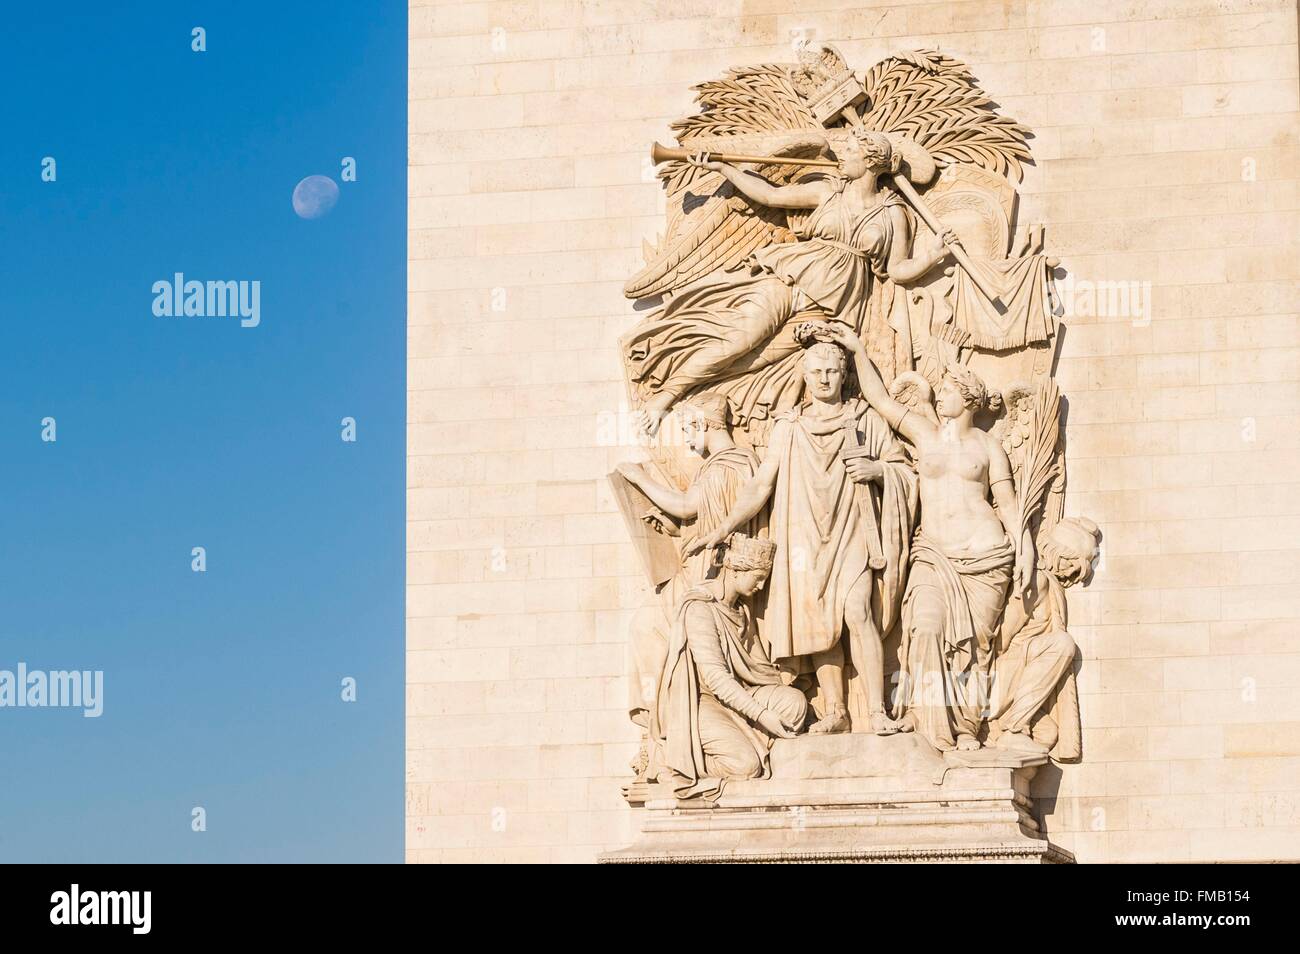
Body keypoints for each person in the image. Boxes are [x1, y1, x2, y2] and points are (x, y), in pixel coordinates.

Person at [623, 128, 955, 435]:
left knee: (756, 359)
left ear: (869, 162)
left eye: (850, 151)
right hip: (793, 279)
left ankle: (698, 396)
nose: (843, 157)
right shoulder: (827, 192)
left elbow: (897, 270)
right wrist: (724, 169)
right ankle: (664, 398)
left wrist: (932, 256)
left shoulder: (893, 212)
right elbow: (769, 195)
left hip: (831, 306)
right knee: (739, 340)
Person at [689, 326, 918, 735]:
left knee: (856, 609)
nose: (825, 379)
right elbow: (761, 484)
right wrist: (723, 527)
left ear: (844, 373)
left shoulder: (865, 420)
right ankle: (835, 710)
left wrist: (877, 470)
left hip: (853, 530)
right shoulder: (789, 424)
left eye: (832, 371)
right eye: (816, 373)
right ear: (806, 375)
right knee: (817, 620)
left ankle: (877, 711)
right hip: (804, 534)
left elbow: (903, 469)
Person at [828, 324, 1033, 752]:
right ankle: (934, 730)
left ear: (969, 399)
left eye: (949, 392)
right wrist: (857, 348)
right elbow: (881, 400)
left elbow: (1008, 505)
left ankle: (966, 727)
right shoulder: (924, 434)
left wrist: (1025, 548)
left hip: (985, 557)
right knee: (924, 628)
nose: (941, 397)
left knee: (976, 649)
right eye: (939, 391)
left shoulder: (989, 447)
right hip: (934, 554)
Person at [616, 392, 761, 777]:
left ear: (703, 424)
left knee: (649, 631)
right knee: (652, 636)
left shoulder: (727, 465)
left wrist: (639, 477)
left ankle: (661, 738)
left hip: (707, 578)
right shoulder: (728, 465)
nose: (686, 439)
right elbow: (701, 521)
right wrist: (675, 531)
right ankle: (659, 735)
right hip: (703, 567)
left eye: (686, 428)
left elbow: (686, 505)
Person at [653, 534, 807, 798]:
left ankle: (751, 736)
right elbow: (716, 679)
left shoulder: (742, 611)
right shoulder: (699, 608)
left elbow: (761, 671)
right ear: (736, 569)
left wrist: (797, 680)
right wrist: (762, 715)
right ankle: (679, 762)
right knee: (745, 765)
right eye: (758, 577)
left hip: (739, 694)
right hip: (700, 702)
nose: (760, 586)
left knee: (795, 702)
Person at [987, 517, 1100, 759]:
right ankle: (1012, 726)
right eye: (1073, 563)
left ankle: (997, 727)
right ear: (1058, 553)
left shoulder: (1050, 583)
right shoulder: (1036, 580)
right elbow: (1000, 640)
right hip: (998, 675)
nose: (1072, 572)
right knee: (1062, 644)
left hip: (1016, 676)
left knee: (1048, 734)